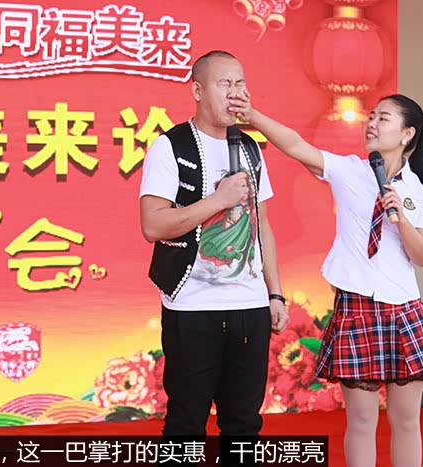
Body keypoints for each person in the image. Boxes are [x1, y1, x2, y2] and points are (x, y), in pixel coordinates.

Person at [230, 93, 423, 467]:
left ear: (407, 133)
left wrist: (401, 217)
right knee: (361, 422)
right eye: (371, 116)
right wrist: (252, 115)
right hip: (356, 311)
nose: (372, 123)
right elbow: (296, 145)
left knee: (406, 421)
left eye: (383, 118)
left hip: (404, 313)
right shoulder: (348, 170)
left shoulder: (422, 192)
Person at [138, 50, 290, 443]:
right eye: (225, 84)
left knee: (244, 425)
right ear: (198, 91)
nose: (235, 92)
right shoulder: (170, 146)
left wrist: (275, 293)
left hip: (250, 308)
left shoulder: (250, 148)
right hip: (192, 308)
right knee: (186, 425)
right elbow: (152, 225)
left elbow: (262, 225)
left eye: (240, 83)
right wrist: (218, 200)